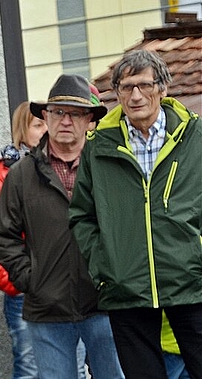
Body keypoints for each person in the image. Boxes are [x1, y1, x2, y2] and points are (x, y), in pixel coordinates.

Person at [69, 49, 202, 379]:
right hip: (125, 285)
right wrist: (105, 266)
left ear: (163, 88)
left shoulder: (194, 137)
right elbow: (82, 215)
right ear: (116, 93)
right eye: (126, 87)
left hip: (191, 281)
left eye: (144, 85)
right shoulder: (98, 146)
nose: (136, 95)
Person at [0, 74, 124, 379]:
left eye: (76, 113)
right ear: (45, 117)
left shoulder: (107, 167)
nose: (66, 120)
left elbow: (126, 229)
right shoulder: (21, 175)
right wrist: (31, 278)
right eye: (58, 112)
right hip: (46, 309)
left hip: (104, 304)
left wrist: (115, 276)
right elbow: (2, 236)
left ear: (90, 120)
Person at [0, 101, 46, 379]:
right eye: (37, 124)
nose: (45, 129)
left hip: (63, 288)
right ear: (21, 130)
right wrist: (13, 280)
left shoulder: (65, 168)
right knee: (29, 367)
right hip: (23, 292)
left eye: (47, 122)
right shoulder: (0, 178)